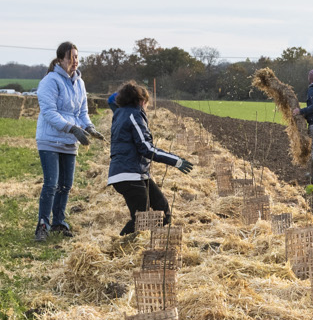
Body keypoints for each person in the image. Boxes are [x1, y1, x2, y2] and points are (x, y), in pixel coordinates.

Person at [105, 82, 195, 234]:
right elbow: (146, 148)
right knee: (142, 219)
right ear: (141, 101)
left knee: (163, 212)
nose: (147, 106)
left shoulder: (119, 113)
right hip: (128, 174)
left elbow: (111, 99)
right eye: (146, 102)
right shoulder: (134, 115)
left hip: (136, 172)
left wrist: (129, 91)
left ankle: (148, 242)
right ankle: (121, 244)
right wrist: (175, 161)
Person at [34, 41, 99, 242]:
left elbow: (81, 112)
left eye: (77, 58)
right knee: (51, 184)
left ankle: (59, 222)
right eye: (71, 58)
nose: (74, 62)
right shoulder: (50, 81)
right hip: (50, 140)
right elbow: (50, 112)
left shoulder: (79, 83)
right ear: (61, 59)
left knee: (66, 185)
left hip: (70, 141)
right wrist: (72, 128)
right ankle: (43, 224)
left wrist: (90, 128)